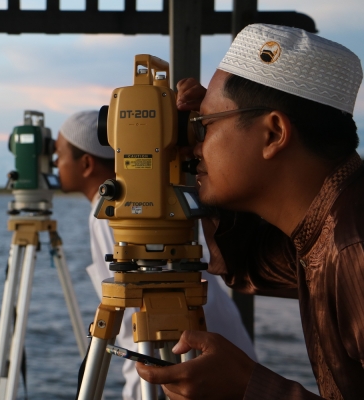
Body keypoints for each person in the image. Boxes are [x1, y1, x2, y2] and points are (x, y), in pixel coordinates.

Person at [135, 23, 364, 399]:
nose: (196, 146)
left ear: (273, 134)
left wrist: (247, 387)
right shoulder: (323, 228)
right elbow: (250, 264)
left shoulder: (353, 246)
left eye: (205, 126)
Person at [54, 110, 257, 399]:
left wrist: (137, 392)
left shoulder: (114, 212)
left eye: (60, 155)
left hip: (197, 367)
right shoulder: (154, 203)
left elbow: (133, 324)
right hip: (223, 355)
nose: (54, 164)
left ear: (86, 163)